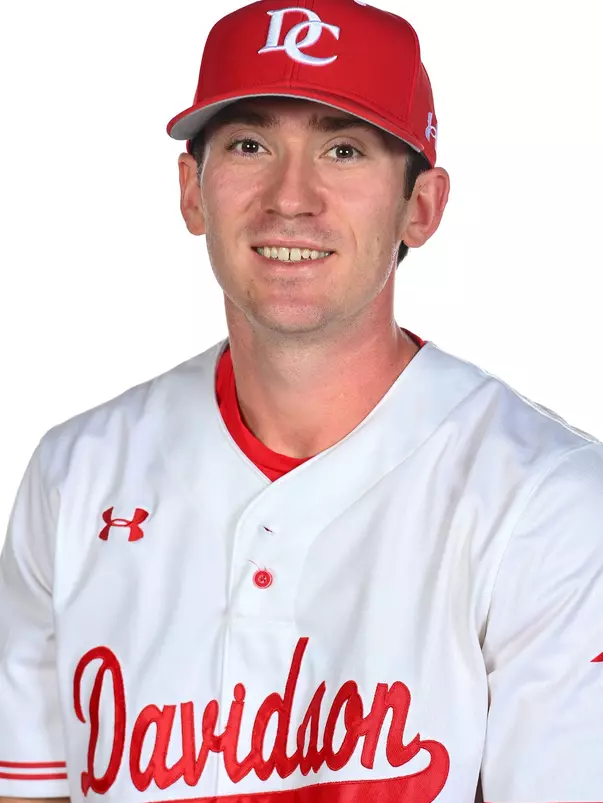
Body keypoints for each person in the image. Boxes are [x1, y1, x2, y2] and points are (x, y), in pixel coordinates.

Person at [1, 1, 602, 802]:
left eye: (344, 149)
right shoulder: (74, 475)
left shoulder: (546, 502)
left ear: (418, 207)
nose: (291, 197)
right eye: (250, 145)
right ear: (192, 190)